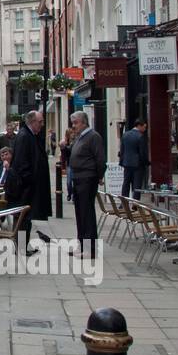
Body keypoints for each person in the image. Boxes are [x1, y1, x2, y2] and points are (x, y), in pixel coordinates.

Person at [11, 110, 53, 252]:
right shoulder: (25, 136)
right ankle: (21, 247)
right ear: (32, 122)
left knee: (25, 217)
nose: (42, 125)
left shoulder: (30, 135)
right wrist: (29, 180)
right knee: (24, 216)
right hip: (25, 187)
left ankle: (22, 246)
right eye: (40, 122)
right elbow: (22, 163)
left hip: (28, 185)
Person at [68, 111, 105, 259]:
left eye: (76, 123)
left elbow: (100, 159)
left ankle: (90, 249)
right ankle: (82, 244)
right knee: (80, 213)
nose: (73, 126)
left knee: (87, 213)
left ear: (84, 122)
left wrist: (99, 176)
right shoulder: (80, 137)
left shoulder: (93, 137)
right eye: (73, 123)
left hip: (87, 178)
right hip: (77, 178)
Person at [120, 119, 150, 200]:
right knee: (137, 185)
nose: (145, 129)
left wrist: (122, 162)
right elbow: (142, 153)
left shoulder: (125, 135)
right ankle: (135, 204)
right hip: (138, 165)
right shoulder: (140, 136)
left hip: (126, 163)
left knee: (126, 183)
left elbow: (122, 150)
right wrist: (146, 163)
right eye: (144, 127)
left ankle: (124, 203)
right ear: (139, 126)